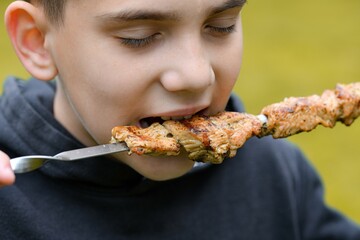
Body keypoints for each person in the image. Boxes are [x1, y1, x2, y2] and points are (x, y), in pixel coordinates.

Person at [0, 0, 359, 239]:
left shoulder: (274, 176)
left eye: (221, 25)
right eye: (138, 38)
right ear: (36, 41)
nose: (196, 75)